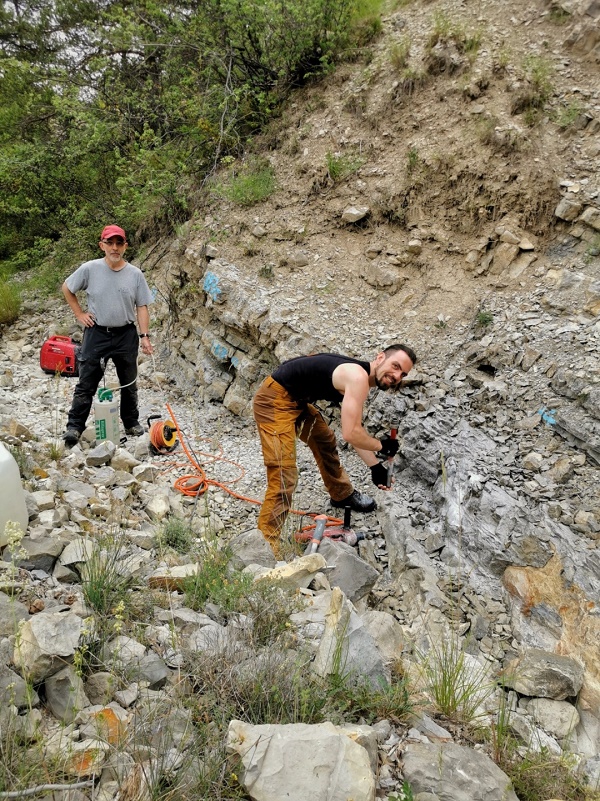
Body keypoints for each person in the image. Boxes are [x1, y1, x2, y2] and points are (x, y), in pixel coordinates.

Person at [253, 344, 417, 554]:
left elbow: (355, 429)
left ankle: (341, 494)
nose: (396, 376)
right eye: (395, 366)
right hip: (273, 401)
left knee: (324, 439)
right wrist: (382, 446)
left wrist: (375, 467)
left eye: (402, 373)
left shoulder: (360, 376)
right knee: (284, 476)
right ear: (380, 357)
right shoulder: (357, 378)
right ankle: (264, 546)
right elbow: (351, 434)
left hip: (297, 401)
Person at [61, 224, 154, 447]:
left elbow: (142, 306)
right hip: (97, 333)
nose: (114, 247)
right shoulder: (89, 269)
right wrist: (79, 313)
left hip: (125, 334)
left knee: (129, 382)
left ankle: (131, 422)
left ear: (125, 246)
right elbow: (67, 288)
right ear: (102, 245)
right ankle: (74, 427)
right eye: (110, 243)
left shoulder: (135, 274)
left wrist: (145, 336)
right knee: (86, 383)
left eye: (119, 243)